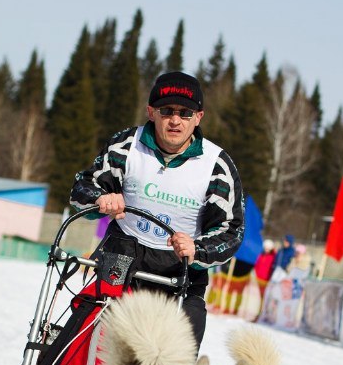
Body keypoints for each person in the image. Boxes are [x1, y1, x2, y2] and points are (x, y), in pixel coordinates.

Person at [70, 71, 244, 349]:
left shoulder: (217, 165)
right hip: (121, 259)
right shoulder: (126, 145)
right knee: (82, 346)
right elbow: (81, 189)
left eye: (185, 113)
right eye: (167, 111)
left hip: (181, 273)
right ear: (151, 112)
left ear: (199, 117)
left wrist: (197, 250)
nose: (175, 120)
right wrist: (100, 199)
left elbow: (231, 231)